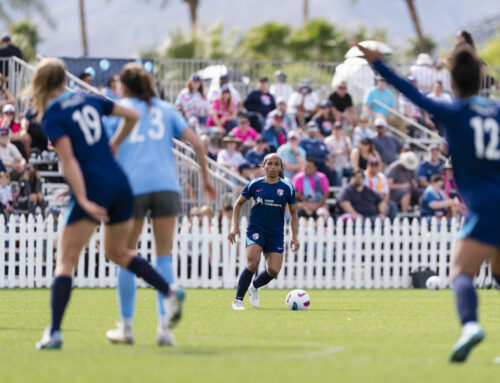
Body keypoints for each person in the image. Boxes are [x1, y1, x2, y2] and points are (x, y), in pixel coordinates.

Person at [29, 58, 185, 350]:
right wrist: (113, 144)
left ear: (40, 83)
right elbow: (132, 116)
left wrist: (83, 197)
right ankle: (169, 290)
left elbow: (69, 159)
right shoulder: (89, 97)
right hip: (120, 182)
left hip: (94, 185)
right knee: (118, 252)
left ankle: (54, 333)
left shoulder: (51, 115)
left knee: (65, 260)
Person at [359, 43, 500, 362]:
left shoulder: (453, 111)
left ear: (452, 82)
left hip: (483, 204)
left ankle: (470, 326)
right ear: (482, 80)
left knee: (462, 274)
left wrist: (378, 65)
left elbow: (413, 93)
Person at [103, 63, 215, 346]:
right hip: (167, 186)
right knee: (164, 255)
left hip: (132, 187)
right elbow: (198, 145)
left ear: (123, 86)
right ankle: (164, 331)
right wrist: (206, 179)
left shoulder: (119, 107)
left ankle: (126, 328)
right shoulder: (167, 109)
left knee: (126, 254)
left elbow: (108, 149)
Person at [228, 153, 299, 310]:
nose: (273, 167)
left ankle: (254, 287)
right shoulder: (255, 184)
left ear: (281, 167)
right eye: (269, 163)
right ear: (264, 166)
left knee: (273, 270)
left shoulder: (287, 187)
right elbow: (238, 204)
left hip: (276, 233)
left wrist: (294, 236)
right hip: (256, 229)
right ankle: (238, 301)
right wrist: (234, 225)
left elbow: (294, 213)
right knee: (252, 263)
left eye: (276, 164)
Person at [324, 122, 352, 187]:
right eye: (336, 129)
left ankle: (349, 190)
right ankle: (338, 191)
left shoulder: (346, 139)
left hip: (345, 165)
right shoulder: (328, 140)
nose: (337, 131)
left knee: (354, 171)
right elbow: (326, 156)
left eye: (339, 129)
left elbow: (350, 152)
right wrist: (338, 153)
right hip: (333, 165)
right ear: (332, 130)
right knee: (339, 171)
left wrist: (347, 144)